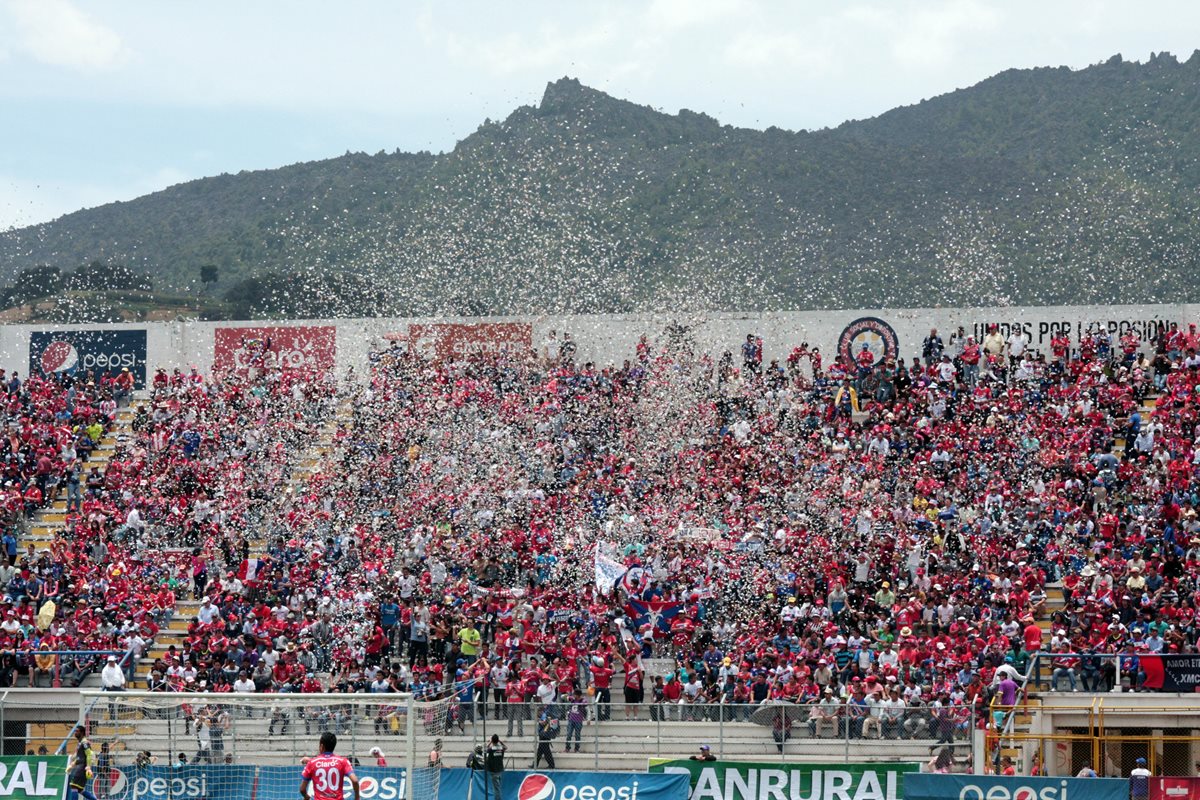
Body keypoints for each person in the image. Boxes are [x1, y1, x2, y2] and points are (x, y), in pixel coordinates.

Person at [299, 733, 360, 800]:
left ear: (321, 746)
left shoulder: (312, 763)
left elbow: (302, 789)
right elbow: (355, 781)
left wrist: (306, 797)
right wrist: (357, 797)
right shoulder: (343, 761)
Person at [65, 728, 97, 800]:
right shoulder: (80, 743)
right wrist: (71, 765)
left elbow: (89, 754)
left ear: (82, 732)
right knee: (79, 789)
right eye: (75, 731)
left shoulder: (84, 743)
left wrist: (88, 767)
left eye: (77, 731)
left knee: (74, 786)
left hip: (81, 769)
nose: (75, 733)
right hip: (80, 767)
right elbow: (80, 757)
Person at [484, 734, 505, 799]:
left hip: (494, 770)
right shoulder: (501, 748)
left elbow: (485, 750)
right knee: (497, 787)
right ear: (498, 740)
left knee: (496, 789)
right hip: (500, 769)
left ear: (492, 740)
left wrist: (490, 742)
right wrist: (500, 742)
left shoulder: (491, 749)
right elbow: (506, 747)